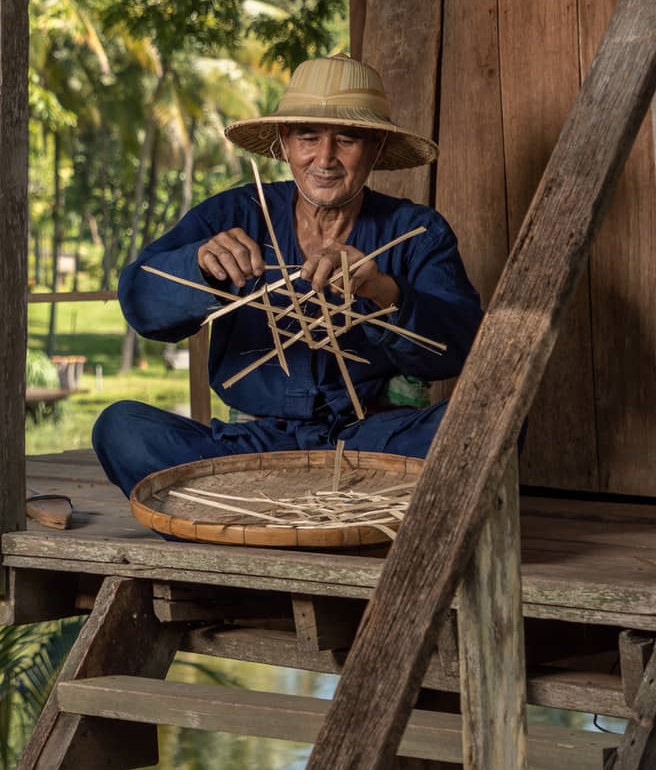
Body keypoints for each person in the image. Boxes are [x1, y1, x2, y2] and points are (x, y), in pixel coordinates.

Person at [93, 54, 483, 497]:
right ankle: (336, 511)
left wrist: (380, 290)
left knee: (492, 418)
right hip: (251, 449)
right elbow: (141, 305)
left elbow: (457, 350)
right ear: (284, 143)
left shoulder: (417, 231)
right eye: (308, 136)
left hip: (374, 445)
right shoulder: (235, 213)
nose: (325, 158)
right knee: (121, 427)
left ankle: (246, 514)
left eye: (348, 139)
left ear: (375, 148)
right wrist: (201, 267)